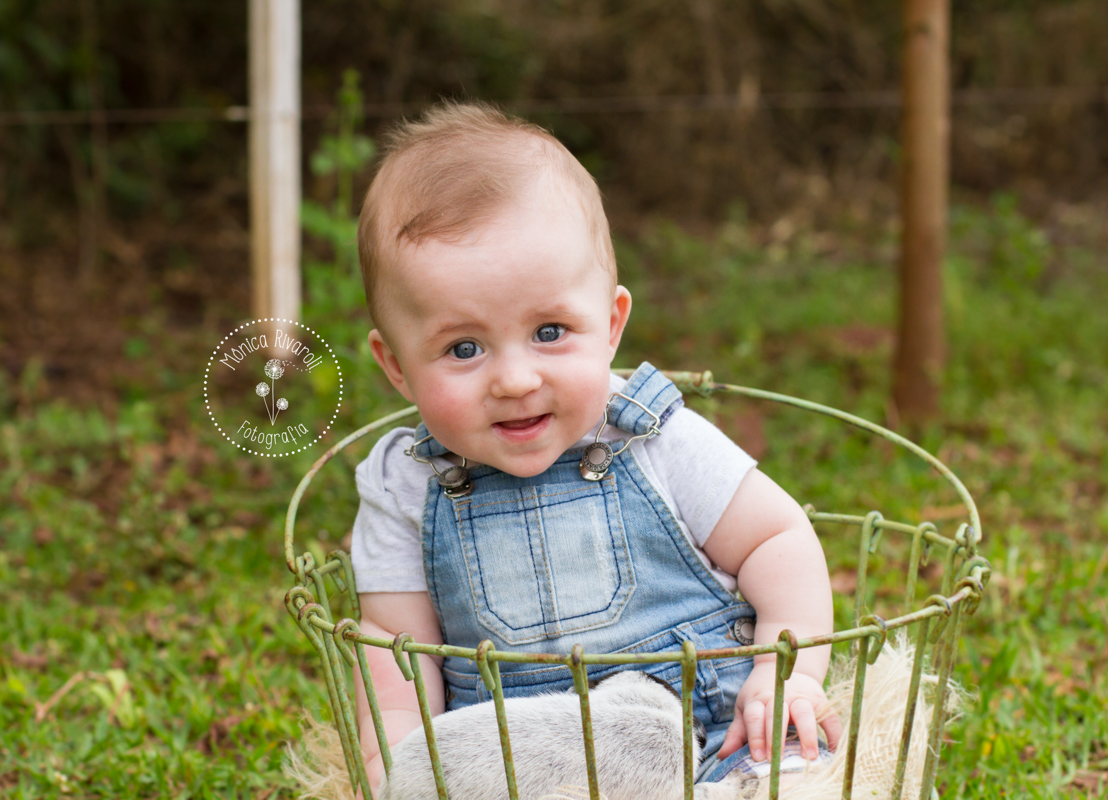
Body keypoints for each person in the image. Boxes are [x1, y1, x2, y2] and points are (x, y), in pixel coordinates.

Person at [347, 101, 841, 792]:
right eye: (464, 348)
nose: (516, 380)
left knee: (795, 780)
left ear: (611, 326)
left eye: (550, 331)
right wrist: (393, 763)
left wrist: (783, 672)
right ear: (397, 365)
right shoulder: (405, 485)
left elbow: (776, 538)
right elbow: (398, 649)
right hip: (529, 762)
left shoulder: (650, 435)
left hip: (715, 730)